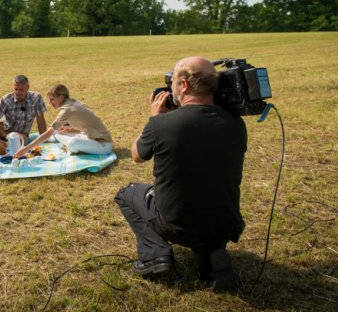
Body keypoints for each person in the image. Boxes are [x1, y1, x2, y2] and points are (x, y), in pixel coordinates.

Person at [115, 56, 246, 292]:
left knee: (127, 194)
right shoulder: (235, 123)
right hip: (226, 225)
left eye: (173, 81)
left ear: (183, 85)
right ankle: (211, 256)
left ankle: (156, 256)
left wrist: (156, 117)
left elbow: (136, 155)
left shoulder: (162, 124)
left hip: (177, 225)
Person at [14, 84, 113, 158]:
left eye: (52, 99)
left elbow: (49, 132)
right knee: (58, 133)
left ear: (61, 97)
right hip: (91, 138)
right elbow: (87, 126)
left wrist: (26, 149)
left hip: (104, 145)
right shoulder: (73, 102)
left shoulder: (67, 109)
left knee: (72, 143)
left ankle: (71, 149)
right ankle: (71, 146)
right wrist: (70, 130)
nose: (50, 103)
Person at [0, 75, 47, 149]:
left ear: (28, 87)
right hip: (4, 132)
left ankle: (1, 144)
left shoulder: (36, 98)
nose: (17, 92)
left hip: (21, 136)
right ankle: (1, 144)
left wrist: (44, 139)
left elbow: (40, 121)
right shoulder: (6, 99)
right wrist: (6, 135)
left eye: (21, 90)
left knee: (18, 143)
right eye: (15, 89)